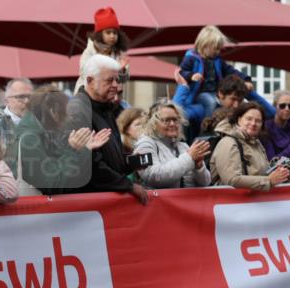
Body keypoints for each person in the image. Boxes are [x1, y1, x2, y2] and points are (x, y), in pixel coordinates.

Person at [66, 55, 149, 204]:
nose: (116, 85)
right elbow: (91, 165)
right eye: (109, 80)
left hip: (106, 201)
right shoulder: (79, 110)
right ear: (90, 81)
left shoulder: (104, 107)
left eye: (117, 80)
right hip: (92, 204)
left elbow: (110, 157)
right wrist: (128, 186)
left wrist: (132, 161)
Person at [15, 85, 103, 195]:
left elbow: (56, 167)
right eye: (64, 112)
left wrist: (83, 149)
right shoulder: (30, 138)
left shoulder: (39, 132)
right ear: (53, 111)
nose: (66, 118)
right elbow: (51, 184)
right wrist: (73, 149)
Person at [178, 25, 263, 121]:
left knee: (225, 105)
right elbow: (182, 72)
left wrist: (245, 79)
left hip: (215, 92)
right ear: (205, 45)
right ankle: (208, 124)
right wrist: (191, 76)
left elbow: (231, 71)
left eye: (219, 49)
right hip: (200, 93)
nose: (218, 52)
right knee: (211, 103)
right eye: (215, 48)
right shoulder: (191, 58)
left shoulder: (217, 60)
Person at [209, 102, 290, 191]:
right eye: (249, 119)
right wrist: (268, 180)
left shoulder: (257, 143)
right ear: (239, 120)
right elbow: (231, 179)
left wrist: (281, 174)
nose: (253, 123)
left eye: (258, 121)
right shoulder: (228, 142)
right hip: (229, 202)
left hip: (252, 203)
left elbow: (261, 174)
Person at [133, 102, 211, 189]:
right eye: (167, 120)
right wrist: (189, 158)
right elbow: (153, 176)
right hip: (159, 201)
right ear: (153, 123)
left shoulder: (183, 146)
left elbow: (205, 183)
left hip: (187, 201)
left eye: (175, 120)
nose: (172, 124)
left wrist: (199, 168)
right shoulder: (145, 144)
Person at [76, 7, 130, 93]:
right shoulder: (90, 51)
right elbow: (83, 73)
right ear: (100, 34)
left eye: (115, 33)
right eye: (108, 32)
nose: (112, 36)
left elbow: (124, 80)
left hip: (110, 96)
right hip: (88, 95)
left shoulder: (118, 53)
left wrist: (121, 70)